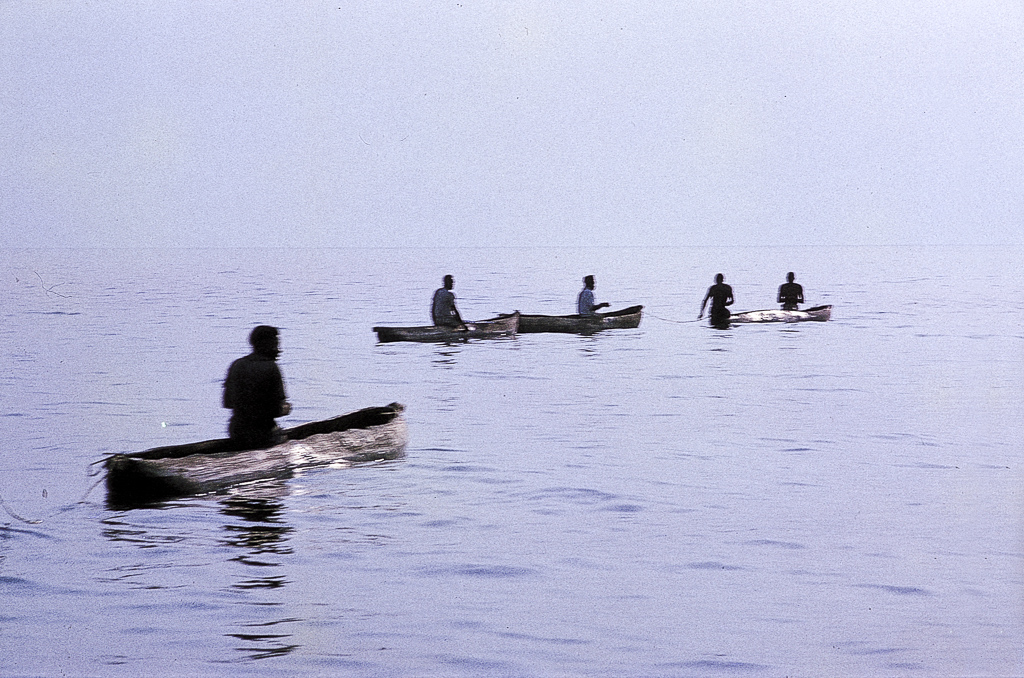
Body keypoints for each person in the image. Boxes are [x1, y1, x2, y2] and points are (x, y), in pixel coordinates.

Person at [223, 325, 291, 450]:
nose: (279, 350)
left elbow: (228, 403)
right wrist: (285, 409)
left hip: (237, 433)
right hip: (263, 435)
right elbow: (276, 410)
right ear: (267, 345)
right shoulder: (271, 368)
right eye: (275, 345)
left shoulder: (237, 365)